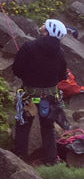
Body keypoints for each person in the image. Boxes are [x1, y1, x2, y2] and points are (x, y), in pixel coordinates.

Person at [13, 19, 69, 165]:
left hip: (29, 95)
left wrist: (27, 76)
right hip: (49, 97)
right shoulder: (60, 53)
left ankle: (18, 158)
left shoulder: (29, 47)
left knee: (23, 124)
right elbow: (62, 76)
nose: (42, 25)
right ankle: (51, 160)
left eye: (45, 24)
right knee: (47, 128)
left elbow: (16, 69)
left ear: (47, 30)